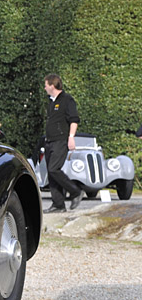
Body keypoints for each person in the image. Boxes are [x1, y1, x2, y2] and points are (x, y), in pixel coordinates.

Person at [43, 73, 82, 213]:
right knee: (51, 173)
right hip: (50, 141)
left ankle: (75, 191)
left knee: (54, 168)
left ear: (52, 85)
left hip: (60, 140)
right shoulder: (51, 102)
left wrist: (71, 137)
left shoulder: (67, 100)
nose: (45, 87)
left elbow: (74, 120)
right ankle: (58, 204)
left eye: (46, 85)